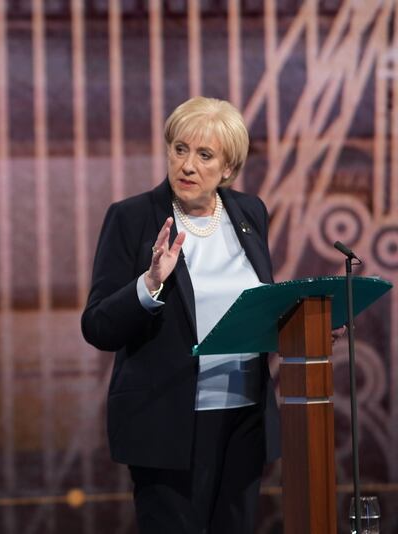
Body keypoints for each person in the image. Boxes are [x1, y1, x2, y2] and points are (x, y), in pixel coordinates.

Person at [81, 96, 280, 533]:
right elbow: (97, 325)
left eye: (205, 155)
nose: (187, 165)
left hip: (243, 419)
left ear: (228, 168)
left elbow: (256, 307)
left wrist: (309, 328)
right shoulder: (132, 218)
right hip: (165, 422)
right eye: (179, 149)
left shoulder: (250, 213)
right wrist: (149, 284)